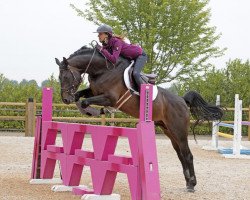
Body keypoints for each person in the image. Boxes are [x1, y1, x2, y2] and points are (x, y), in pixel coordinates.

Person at [94, 24, 147, 92]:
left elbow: (113, 59)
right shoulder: (106, 45)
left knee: (135, 73)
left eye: (100, 34)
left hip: (140, 56)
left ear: (106, 35)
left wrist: (102, 50)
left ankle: (145, 92)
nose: (98, 36)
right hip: (131, 58)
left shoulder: (116, 42)